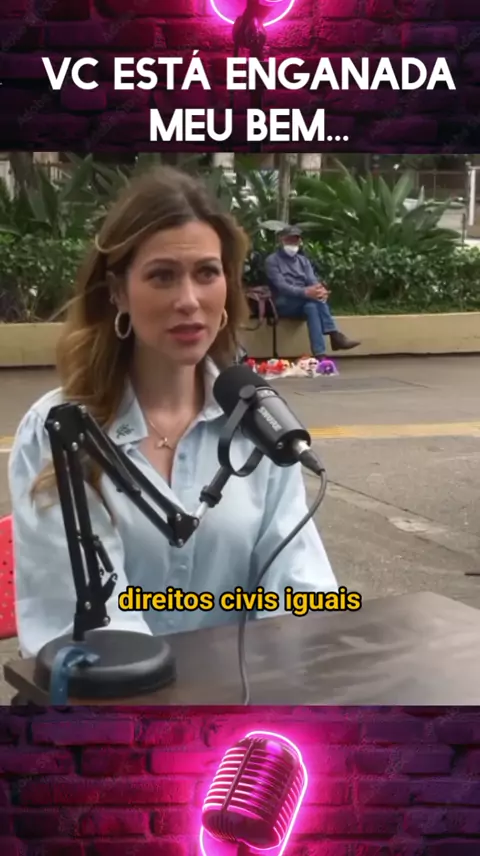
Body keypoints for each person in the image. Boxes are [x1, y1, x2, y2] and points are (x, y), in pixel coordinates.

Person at [8, 167, 337, 659]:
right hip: (114, 697)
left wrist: (303, 665)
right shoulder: (59, 429)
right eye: (162, 276)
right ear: (118, 291)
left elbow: (300, 589)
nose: (189, 300)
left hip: (249, 692)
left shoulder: (259, 423)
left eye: (207, 273)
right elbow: (88, 623)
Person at [265, 226, 360, 359]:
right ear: (282, 240)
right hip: (283, 302)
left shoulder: (303, 261)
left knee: (312, 307)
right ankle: (334, 335)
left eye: (295, 240)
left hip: (305, 302)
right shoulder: (272, 261)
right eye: (289, 240)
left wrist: (320, 290)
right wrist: (306, 293)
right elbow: (282, 286)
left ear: (300, 242)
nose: (292, 243)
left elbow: (312, 281)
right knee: (313, 300)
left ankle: (320, 354)